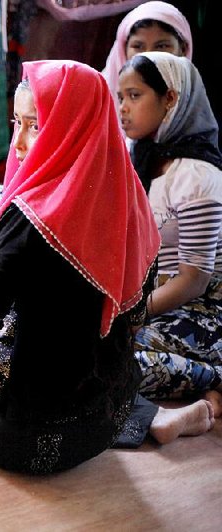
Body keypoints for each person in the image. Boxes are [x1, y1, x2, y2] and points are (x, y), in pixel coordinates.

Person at [0, 60, 215, 475]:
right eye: (16, 122)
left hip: (20, 438)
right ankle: (152, 417)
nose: (17, 142)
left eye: (36, 126)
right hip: (105, 424)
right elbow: (131, 324)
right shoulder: (133, 205)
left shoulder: (30, 218)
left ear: (75, 129)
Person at [117, 51, 222, 413]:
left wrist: (130, 316)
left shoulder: (197, 175)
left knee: (118, 360)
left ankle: (213, 377)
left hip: (205, 309)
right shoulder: (141, 157)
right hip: (157, 303)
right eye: (120, 97)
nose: (123, 108)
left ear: (171, 99)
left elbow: (194, 280)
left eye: (135, 95)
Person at [102, 1, 192, 99]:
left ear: (183, 50)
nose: (149, 56)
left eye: (161, 46)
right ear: (123, 49)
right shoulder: (98, 97)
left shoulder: (196, 104)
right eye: (138, 47)